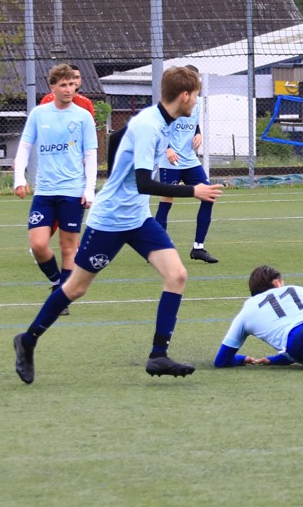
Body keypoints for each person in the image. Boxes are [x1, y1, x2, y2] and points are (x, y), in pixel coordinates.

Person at [13, 66, 225, 384]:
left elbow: (116, 138)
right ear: (184, 96)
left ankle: (158, 355)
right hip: (110, 220)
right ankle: (27, 340)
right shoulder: (150, 126)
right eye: (195, 96)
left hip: (138, 218)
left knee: (177, 274)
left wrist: (115, 171)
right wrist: (192, 190)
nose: (196, 102)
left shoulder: (162, 121)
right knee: (76, 288)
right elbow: (142, 182)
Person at [13, 64, 98, 315]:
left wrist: (89, 189)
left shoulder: (83, 116)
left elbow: (90, 154)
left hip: (73, 190)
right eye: (63, 85)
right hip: (45, 192)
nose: (69, 89)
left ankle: (62, 296)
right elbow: (25, 147)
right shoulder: (39, 114)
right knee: (38, 244)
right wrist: (20, 178)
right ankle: (55, 282)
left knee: (69, 247)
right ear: (53, 88)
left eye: (72, 84)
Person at [154, 65, 218, 263]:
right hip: (170, 161)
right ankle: (158, 248)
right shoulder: (167, 105)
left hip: (190, 160)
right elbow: (157, 131)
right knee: (167, 199)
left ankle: (198, 247)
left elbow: (195, 124)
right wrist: (167, 148)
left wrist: (198, 133)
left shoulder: (196, 104)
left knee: (209, 196)